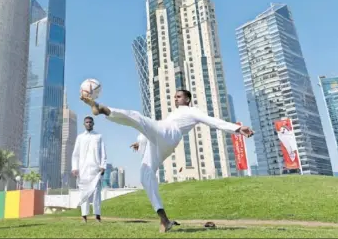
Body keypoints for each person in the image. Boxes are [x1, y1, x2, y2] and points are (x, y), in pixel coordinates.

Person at [80, 89, 254, 233]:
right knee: (145, 174)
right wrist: (140, 141)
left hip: (170, 135)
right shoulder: (173, 114)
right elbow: (153, 129)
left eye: (179, 96)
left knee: (138, 117)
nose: (176, 98)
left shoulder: (192, 111)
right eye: (175, 96)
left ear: (187, 99)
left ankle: (103, 110)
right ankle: (164, 219)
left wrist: (237, 128)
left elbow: (212, 122)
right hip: (162, 141)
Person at [71, 116, 107, 223]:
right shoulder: (80, 137)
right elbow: (75, 154)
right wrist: (75, 168)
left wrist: (103, 166)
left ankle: (97, 216)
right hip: (83, 170)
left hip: (96, 170)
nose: (88, 124)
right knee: (83, 193)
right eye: (86, 122)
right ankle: (84, 216)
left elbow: (103, 153)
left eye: (90, 122)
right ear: (84, 124)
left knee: (96, 193)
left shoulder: (98, 136)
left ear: (93, 123)